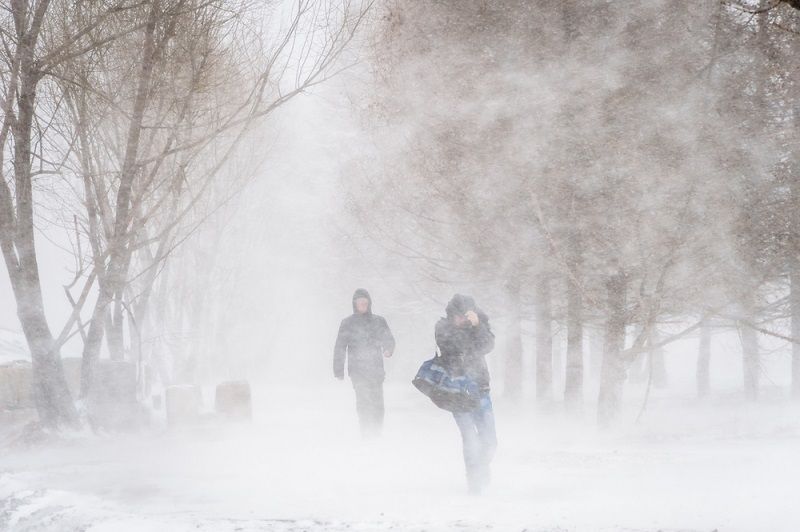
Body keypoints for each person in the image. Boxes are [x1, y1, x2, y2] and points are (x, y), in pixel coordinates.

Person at [435, 294, 496, 494]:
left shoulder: (479, 325)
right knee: (470, 438)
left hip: (480, 388)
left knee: (489, 440)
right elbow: (454, 347)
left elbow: (487, 346)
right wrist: (467, 328)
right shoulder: (443, 327)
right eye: (459, 315)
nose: (463, 319)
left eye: (466, 315)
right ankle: (474, 483)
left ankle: (481, 470)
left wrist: (478, 325)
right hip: (457, 391)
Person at [333, 288, 395, 437]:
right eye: (360, 302)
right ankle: (366, 434)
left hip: (376, 370)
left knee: (378, 404)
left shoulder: (378, 321)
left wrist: (388, 349)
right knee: (364, 402)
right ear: (354, 304)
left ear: (369, 304)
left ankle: (377, 433)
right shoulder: (347, 323)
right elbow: (340, 347)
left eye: (365, 302)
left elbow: (389, 339)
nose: (362, 305)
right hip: (357, 371)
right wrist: (338, 370)